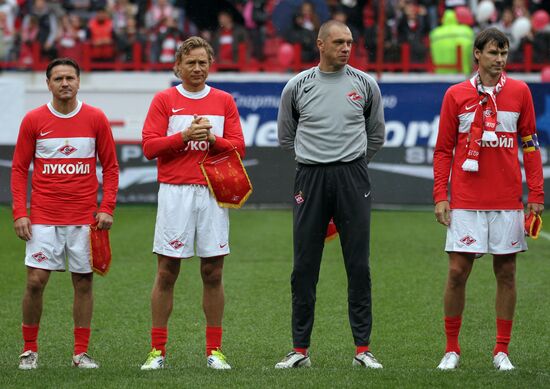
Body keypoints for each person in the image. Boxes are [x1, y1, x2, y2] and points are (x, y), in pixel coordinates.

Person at [433, 28, 544, 371]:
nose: (499, 60)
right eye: (494, 53)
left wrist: (536, 194)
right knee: (456, 272)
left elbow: (530, 146)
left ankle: (501, 350)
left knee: (506, 271)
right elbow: (443, 151)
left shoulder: (521, 92)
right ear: (477, 55)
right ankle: (452, 349)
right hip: (466, 200)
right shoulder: (455, 95)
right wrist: (441, 195)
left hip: (508, 201)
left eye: (504, 53)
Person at [276, 20, 386, 369]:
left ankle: (363, 350)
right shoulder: (297, 86)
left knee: (358, 265)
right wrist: (314, 162)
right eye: (338, 42)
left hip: (353, 177)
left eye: (350, 42)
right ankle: (300, 350)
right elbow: (286, 136)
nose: (346, 48)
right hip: (309, 178)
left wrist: (350, 164)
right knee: (305, 266)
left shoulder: (366, 84)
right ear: (320, 44)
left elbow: (376, 134)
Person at [140, 36, 245, 371]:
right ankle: (158, 351)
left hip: (213, 193)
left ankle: (214, 351)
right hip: (175, 192)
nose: (197, 68)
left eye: (203, 62)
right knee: (167, 271)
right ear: (178, 66)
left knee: (212, 272)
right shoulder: (164, 99)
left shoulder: (224, 100)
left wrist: (213, 139)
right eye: (191, 62)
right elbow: (149, 147)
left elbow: (239, 149)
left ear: (210, 64)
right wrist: (183, 136)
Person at [11, 57, 119, 370]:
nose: (64, 83)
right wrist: (21, 212)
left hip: (85, 218)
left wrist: (107, 206)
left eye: (69, 77)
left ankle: (80, 353)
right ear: (48, 84)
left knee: (83, 282)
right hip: (44, 215)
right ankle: (29, 350)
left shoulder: (96, 118)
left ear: (79, 81)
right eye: (58, 78)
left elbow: (110, 167)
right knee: (35, 281)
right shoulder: (33, 120)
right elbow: (19, 169)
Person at [429, 9, 474, 75]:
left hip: (440, 75)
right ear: (456, 19)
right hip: (463, 74)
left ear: (443, 19)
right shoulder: (467, 31)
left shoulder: (434, 33)